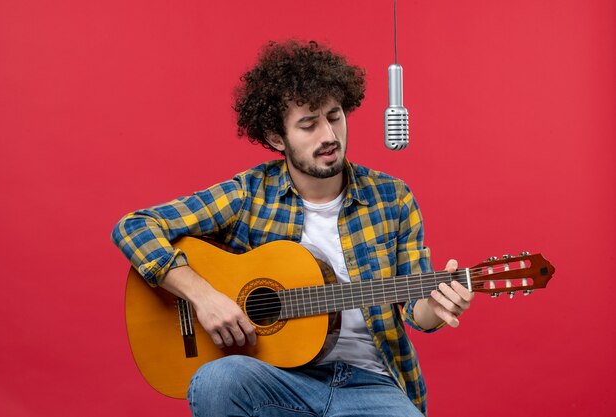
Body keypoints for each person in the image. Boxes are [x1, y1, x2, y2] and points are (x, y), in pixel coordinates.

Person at [112, 39, 473, 417]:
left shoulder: (392, 198)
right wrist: (203, 296)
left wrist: (434, 305)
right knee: (217, 379)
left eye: (334, 116)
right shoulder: (249, 194)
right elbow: (134, 227)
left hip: (371, 382)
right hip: (277, 378)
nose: (329, 136)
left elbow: (417, 311)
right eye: (308, 124)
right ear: (274, 137)